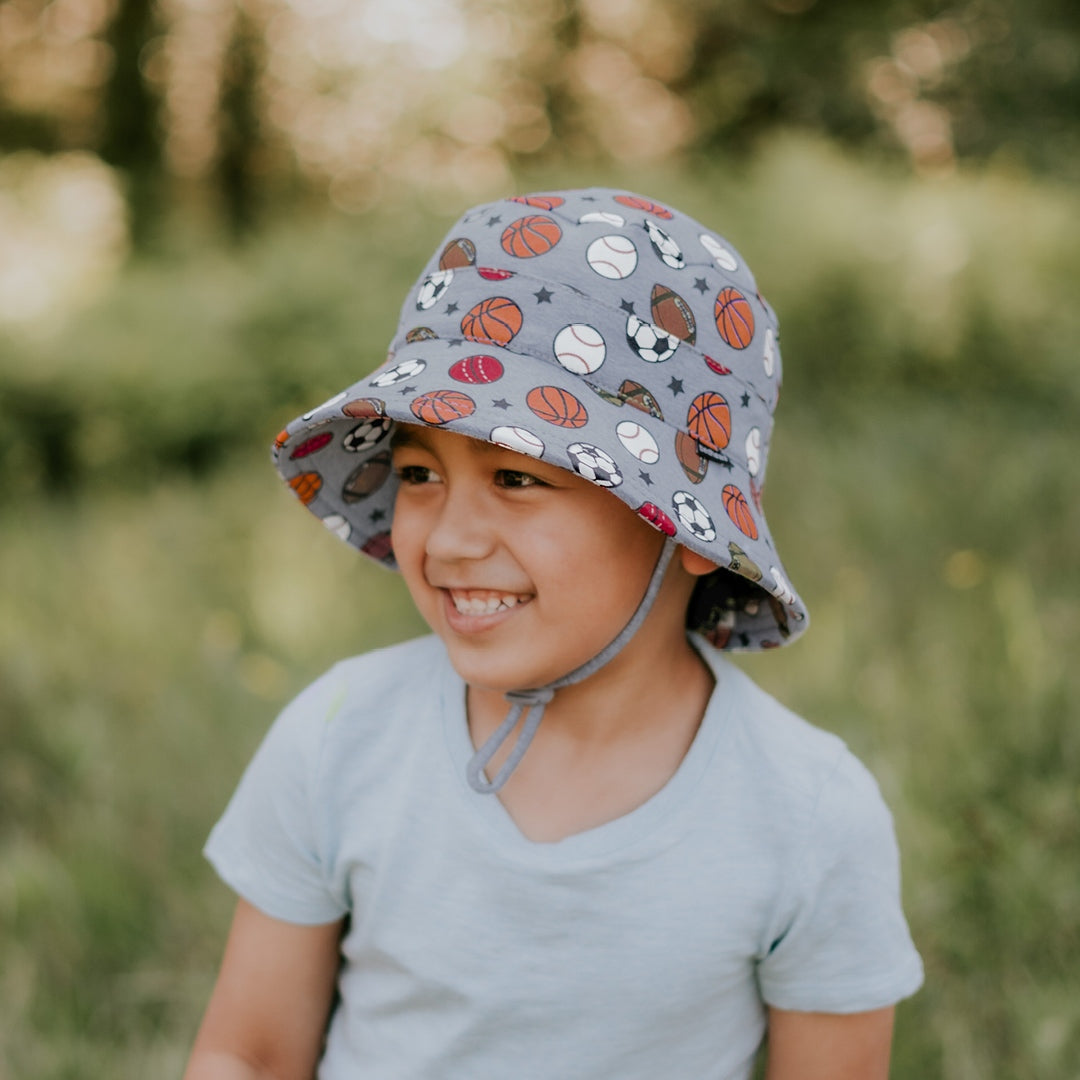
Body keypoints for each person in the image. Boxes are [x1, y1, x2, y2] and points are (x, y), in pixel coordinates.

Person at [183, 189, 923, 1080]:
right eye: (419, 473)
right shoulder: (341, 736)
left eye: (518, 478)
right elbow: (249, 1055)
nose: (449, 538)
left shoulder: (806, 818)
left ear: (685, 529)